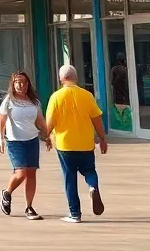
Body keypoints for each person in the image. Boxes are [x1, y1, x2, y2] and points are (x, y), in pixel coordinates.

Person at [45, 64, 107, 224]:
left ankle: (75, 213)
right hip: (86, 143)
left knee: (69, 178)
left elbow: (50, 122)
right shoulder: (87, 95)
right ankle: (93, 187)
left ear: (61, 78)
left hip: (65, 144)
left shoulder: (56, 97)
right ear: (76, 78)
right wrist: (102, 138)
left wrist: (46, 137)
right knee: (89, 171)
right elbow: (96, 118)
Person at [0, 71, 51, 221]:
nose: (21, 85)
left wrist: (48, 135)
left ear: (28, 84)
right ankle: (7, 193)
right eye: (17, 82)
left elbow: (40, 121)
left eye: (24, 82)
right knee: (21, 173)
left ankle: (29, 207)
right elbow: (1, 122)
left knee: (31, 173)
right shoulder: (9, 101)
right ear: (13, 85)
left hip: (32, 140)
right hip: (15, 141)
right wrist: (0, 139)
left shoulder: (34, 102)